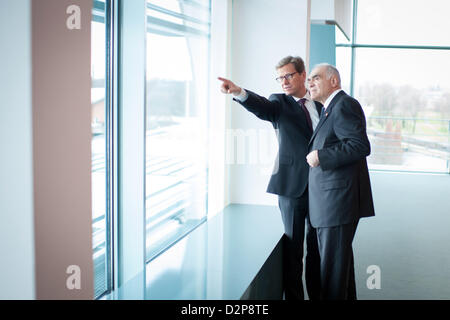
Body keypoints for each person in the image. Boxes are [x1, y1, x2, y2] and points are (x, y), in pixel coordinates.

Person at [218, 56, 321, 300]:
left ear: (302, 74)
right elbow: (261, 106)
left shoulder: (320, 103)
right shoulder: (279, 103)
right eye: (280, 77)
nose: (283, 81)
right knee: (293, 250)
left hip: (321, 187)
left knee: (317, 249)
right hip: (291, 186)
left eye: (289, 75)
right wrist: (239, 92)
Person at [306, 63, 375, 300]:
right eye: (309, 80)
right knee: (339, 270)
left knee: (333, 274)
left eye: (315, 78)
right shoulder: (329, 108)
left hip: (336, 203)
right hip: (330, 203)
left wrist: (320, 156)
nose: (310, 83)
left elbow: (360, 145)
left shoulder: (344, 104)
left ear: (333, 81)